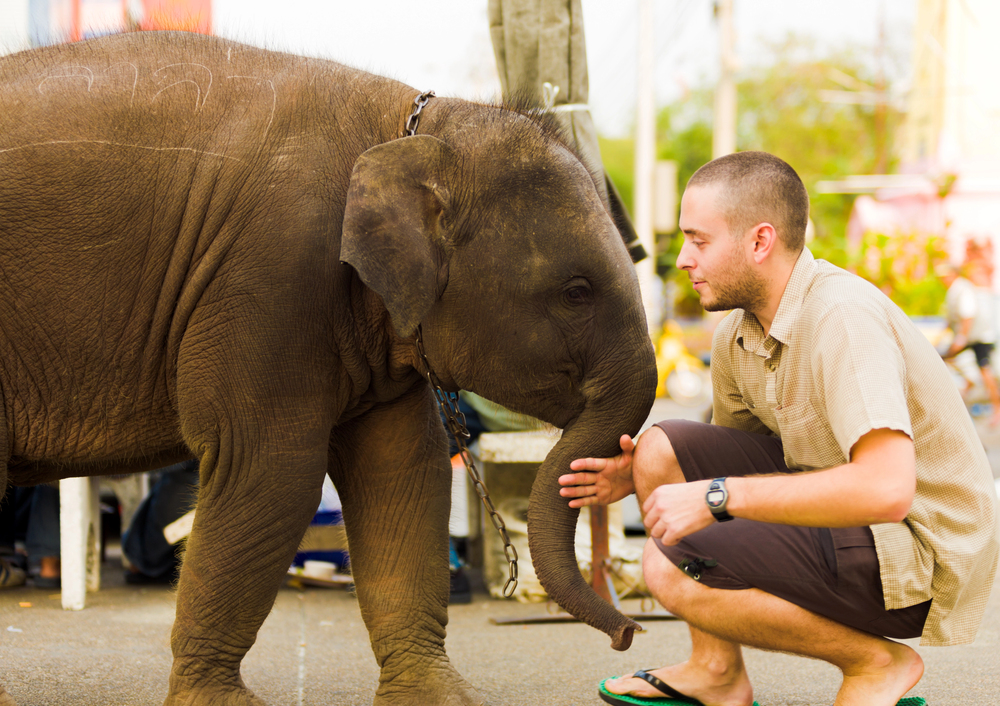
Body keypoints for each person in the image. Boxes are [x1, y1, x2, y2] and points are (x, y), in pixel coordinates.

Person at [559, 152, 999, 706]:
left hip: (918, 547)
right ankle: (717, 671)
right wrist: (638, 473)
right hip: (848, 525)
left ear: (760, 242)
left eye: (699, 240)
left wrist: (720, 496)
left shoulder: (841, 318)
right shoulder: (734, 336)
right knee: (659, 451)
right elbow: (714, 463)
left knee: (669, 566)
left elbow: (887, 490)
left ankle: (876, 664)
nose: (685, 259)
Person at [940, 261, 1000, 426]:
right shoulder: (953, 291)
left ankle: (997, 408)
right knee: (945, 357)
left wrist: (961, 338)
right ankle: (967, 388)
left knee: (984, 369)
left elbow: (968, 315)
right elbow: (951, 319)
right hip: (969, 336)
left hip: (979, 337)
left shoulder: (962, 288)